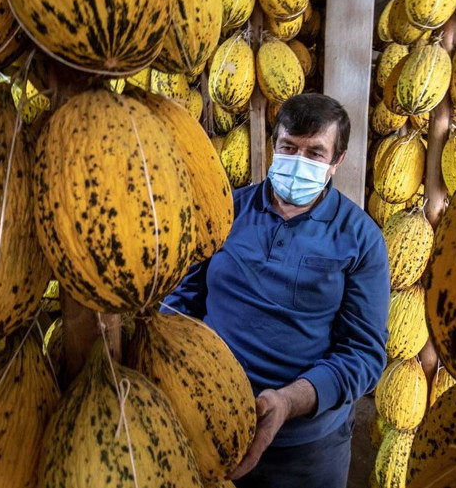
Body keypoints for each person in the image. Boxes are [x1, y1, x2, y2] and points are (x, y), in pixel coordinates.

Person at [162, 93, 390, 488]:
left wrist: (288, 401)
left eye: (315, 154)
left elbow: (364, 356)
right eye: (289, 148)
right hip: (206, 419)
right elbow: (181, 301)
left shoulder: (361, 239)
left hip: (305, 449)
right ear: (274, 145)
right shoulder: (225, 211)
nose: (299, 162)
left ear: (337, 162)